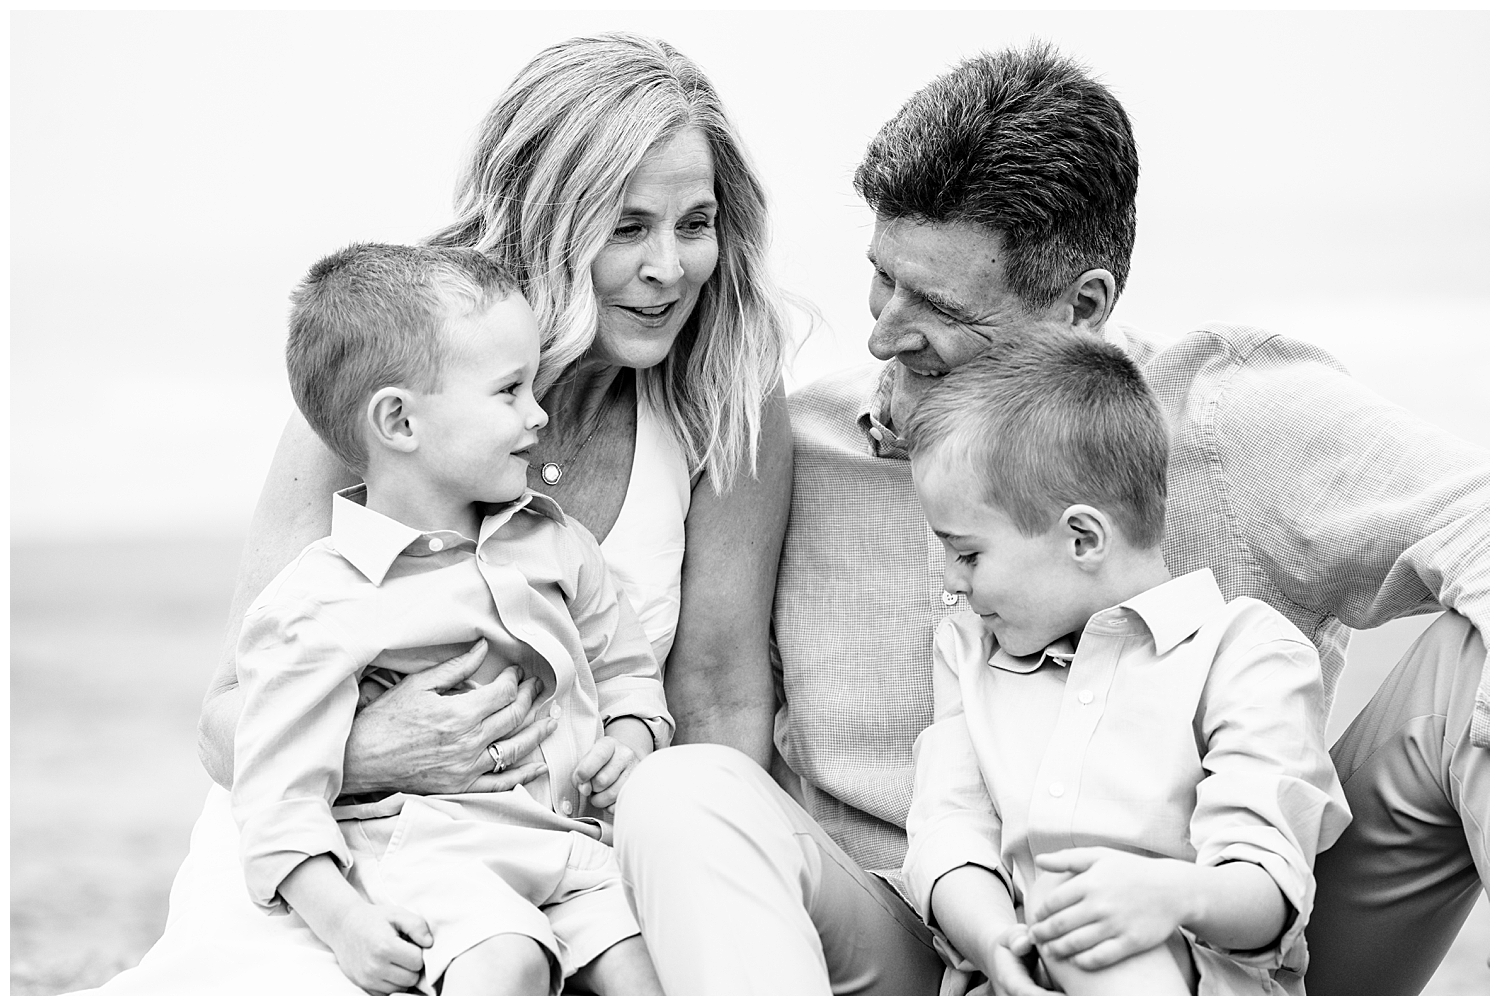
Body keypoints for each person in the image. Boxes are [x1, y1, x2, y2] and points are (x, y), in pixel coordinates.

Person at [616, 41, 1488, 995]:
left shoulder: (1228, 419)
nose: (882, 331)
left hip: (1237, 935)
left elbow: (1481, 520)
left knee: (1473, 668)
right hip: (918, 938)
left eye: (939, 305)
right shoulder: (795, 446)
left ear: (1083, 307)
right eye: (884, 276)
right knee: (686, 791)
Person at [88, 32, 790, 995]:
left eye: (696, 222)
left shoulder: (728, 390)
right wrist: (374, 750)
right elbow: (226, 721)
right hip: (343, 858)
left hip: (573, 860)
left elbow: (718, 698)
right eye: (627, 228)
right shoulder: (398, 379)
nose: (672, 267)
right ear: (547, 221)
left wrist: (660, 840)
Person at [233, 242, 668, 995]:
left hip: (574, 847)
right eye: (509, 392)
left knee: (647, 971)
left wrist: (630, 737)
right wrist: (345, 922)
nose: (538, 416)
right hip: (431, 858)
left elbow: (627, 670)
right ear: (399, 421)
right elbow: (277, 798)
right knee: (507, 963)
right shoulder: (319, 601)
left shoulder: (558, 544)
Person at [902, 336, 1350, 995]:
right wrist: (997, 939)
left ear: (1083, 538)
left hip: (1182, 977)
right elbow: (951, 830)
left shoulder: (1247, 653)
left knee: (1096, 942)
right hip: (1017, 977)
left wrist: (1168, 896)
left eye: (967, 554)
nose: (951, 582)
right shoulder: (969, 653)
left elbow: (1270, 889)